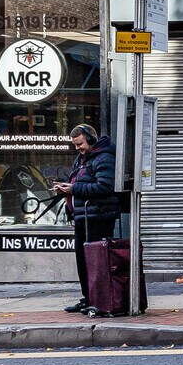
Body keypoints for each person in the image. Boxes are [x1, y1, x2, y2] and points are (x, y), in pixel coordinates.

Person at [51, 124, 124, 315]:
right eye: (75, 145)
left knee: (96, 262)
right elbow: (80, 183)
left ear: (91, 139)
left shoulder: (105, 158)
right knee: (83, 262)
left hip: (98, 217)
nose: (77, 148)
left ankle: (100, 301)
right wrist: (65, 189)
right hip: (83, 216)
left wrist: (73, 189)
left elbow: (105, 187)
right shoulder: (82, 159)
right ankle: (89, 298)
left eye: (80, 144)